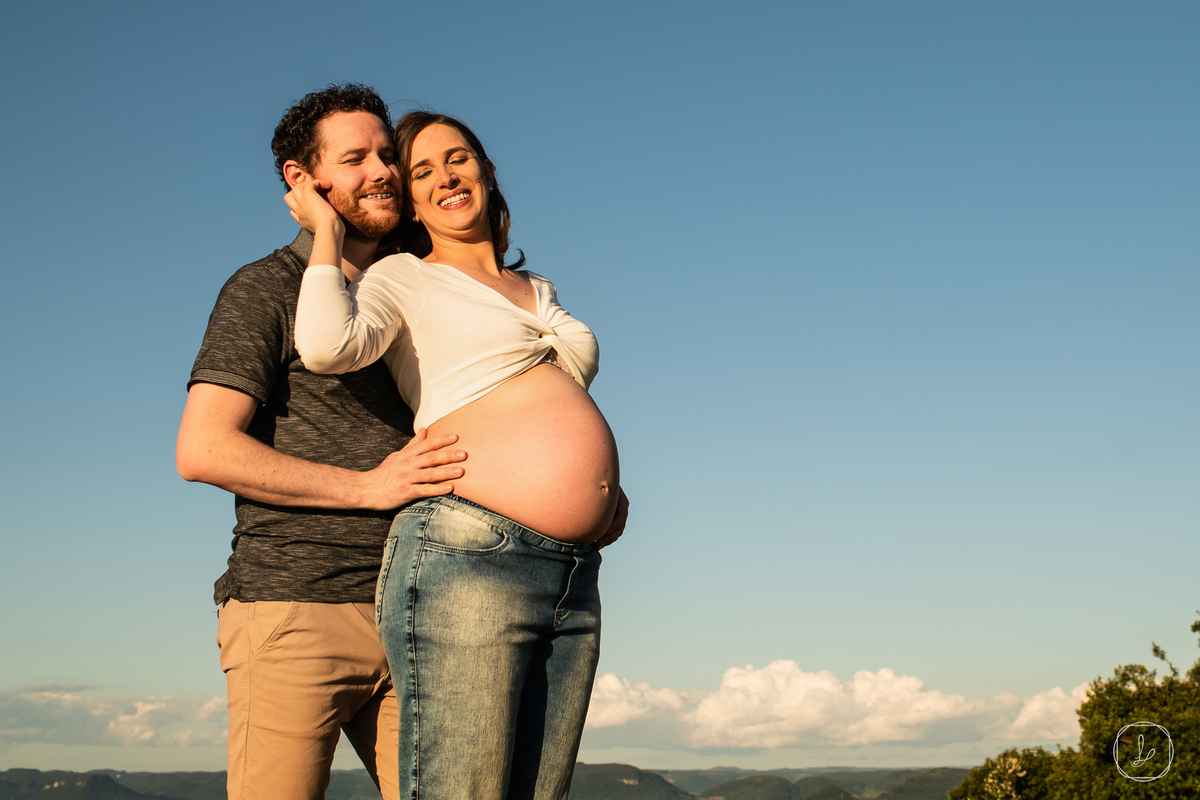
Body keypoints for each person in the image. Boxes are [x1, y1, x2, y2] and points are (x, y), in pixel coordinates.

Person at [287, 111, 628, 800]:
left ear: (487, 169)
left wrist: (597, 491)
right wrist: (327, 232)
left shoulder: (539, 291)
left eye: (459, 158)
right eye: (422, 171)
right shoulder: (403, 279)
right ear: (409, 199)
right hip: (471, 557)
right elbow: (326, 345)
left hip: (571, 575)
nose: (446, 176)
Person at [175, 85, 471, 800]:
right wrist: (370, 487)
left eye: (386, 154)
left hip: (417, 606)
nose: (384, 171)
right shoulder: (264, 290)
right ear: (303, 181)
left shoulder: (420, 288)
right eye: (356, 158)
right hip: (294, 612)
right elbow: (203, 449)